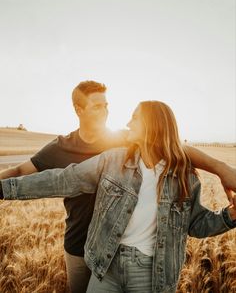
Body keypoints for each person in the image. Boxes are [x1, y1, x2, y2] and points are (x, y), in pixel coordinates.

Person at [0, 83, 236, 293]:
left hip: (151, 273)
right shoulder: (112, 159)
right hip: (104, 262)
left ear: (151, 126)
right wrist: (3, 189)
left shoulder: (184, 177)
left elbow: (195, 223)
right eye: (98, 106)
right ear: (78, 109)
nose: (124, 121)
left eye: (134, 117)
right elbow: (61, 179)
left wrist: (228, 210)